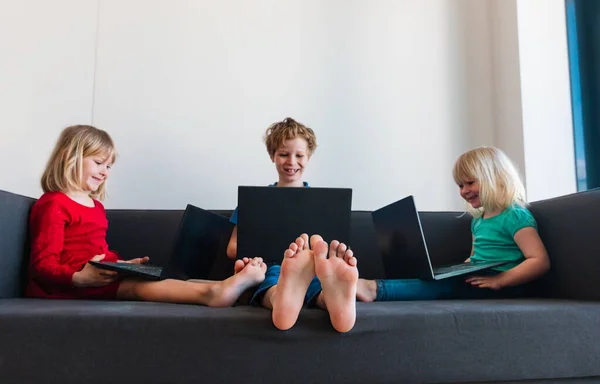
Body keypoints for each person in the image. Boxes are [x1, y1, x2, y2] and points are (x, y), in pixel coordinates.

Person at [26, 124, 266, 307]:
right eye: (99, 162)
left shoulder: (96, 207)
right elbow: (42, 266)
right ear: (71, 157)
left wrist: (120, 264)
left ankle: (234, 289)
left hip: (97, 279)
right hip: (71, 288)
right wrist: (78, 278)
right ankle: (215, 294)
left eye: (109, 167)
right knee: (141, 289)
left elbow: (94, 251)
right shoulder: (53, 204)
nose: (105, 173)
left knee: (169, 280)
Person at [355, 146, 551, 302]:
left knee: (441, 288)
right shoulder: (478, 220)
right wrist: (456, 270)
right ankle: (372, 287)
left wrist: (499, 281)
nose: (464, 191)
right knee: (434, 280)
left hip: (507, 287)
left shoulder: (515, 216)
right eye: (460, 185)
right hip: (481, 278)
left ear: (496, 178)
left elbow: (539, 261)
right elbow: (475, 258)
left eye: (470, 183)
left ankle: (372, 289)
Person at [227, 117, 358, 332]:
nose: (291, 162)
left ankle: (332, 298)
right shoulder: (254, 201)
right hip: (268, 265)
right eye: (284, 154)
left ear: (309, 157)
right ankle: (285, 298)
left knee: (317, 281)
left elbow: (335, 246)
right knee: (270, 277)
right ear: (272, 156)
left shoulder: (323, 204)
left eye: (299, 155)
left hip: (313, 269)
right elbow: (232, 248)